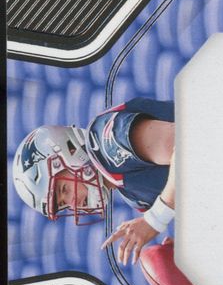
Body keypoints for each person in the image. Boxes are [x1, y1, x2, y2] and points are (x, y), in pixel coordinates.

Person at [12, 98, 176, 266]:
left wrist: (155, 219)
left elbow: (186, 143)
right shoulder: (133, 196)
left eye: (64, 189)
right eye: (64, 204)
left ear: (70, 151)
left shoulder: (107, 144)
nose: (73, 203)